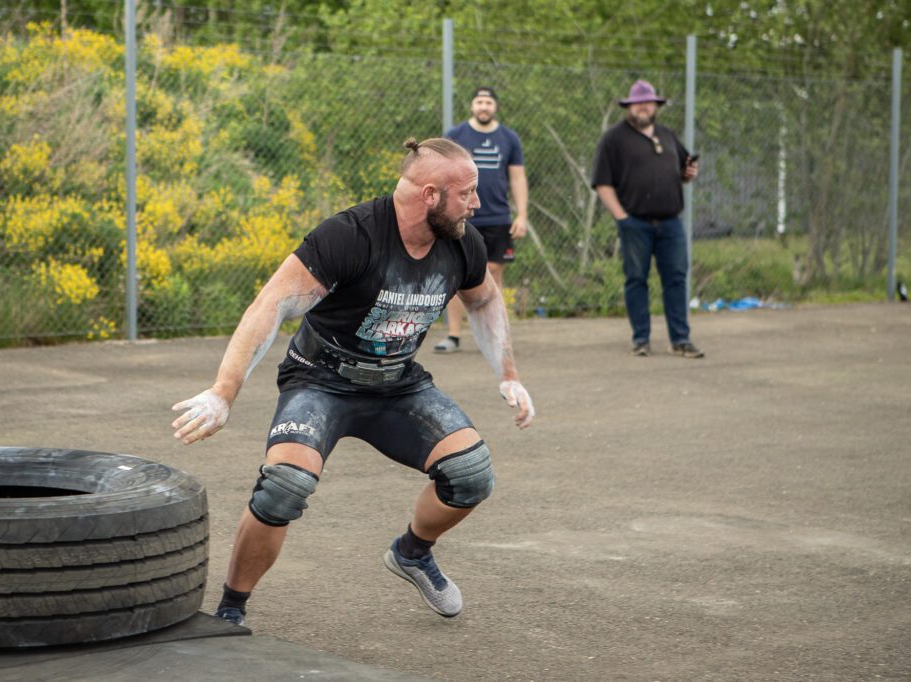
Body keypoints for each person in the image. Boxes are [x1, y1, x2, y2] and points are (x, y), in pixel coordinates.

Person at [171, 137, 535, 627]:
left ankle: (412, 553)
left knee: (471, 475)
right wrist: (223, 392)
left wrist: (509, 374)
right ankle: (230, 610)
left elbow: (484, 300)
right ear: (430, 195)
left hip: (397, 385)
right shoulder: (350, 236)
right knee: (284, 486)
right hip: (320, 380)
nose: (477, 204)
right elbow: (270, 305)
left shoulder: (462, 242)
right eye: (467, 193)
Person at [591, 79, 704, 358]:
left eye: (648, 103)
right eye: (638, 103)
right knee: (636, 279)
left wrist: (689, 174)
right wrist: (622, 218)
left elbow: (683, 173)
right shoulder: (613, 139)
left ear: (656, 106)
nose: (643, 107)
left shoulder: (667, 135)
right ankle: (641, 339)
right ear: (629, 107)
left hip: (670, 223)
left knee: (676, 279)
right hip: (635, 223)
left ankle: (680, 339)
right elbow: (602, 184)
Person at [434, 86, 528, 354]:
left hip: (498, 217)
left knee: (493, 274)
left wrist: (522, 215)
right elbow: (441, 173)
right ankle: (453, 335)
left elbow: (517, 177)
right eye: (479, 101)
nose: (484, 106)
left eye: (488, 102)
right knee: (456, 274)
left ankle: (494, 336)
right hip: (462, 216)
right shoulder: (455, 135)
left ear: (495, 106)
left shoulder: (509, 138)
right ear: (472, 105)